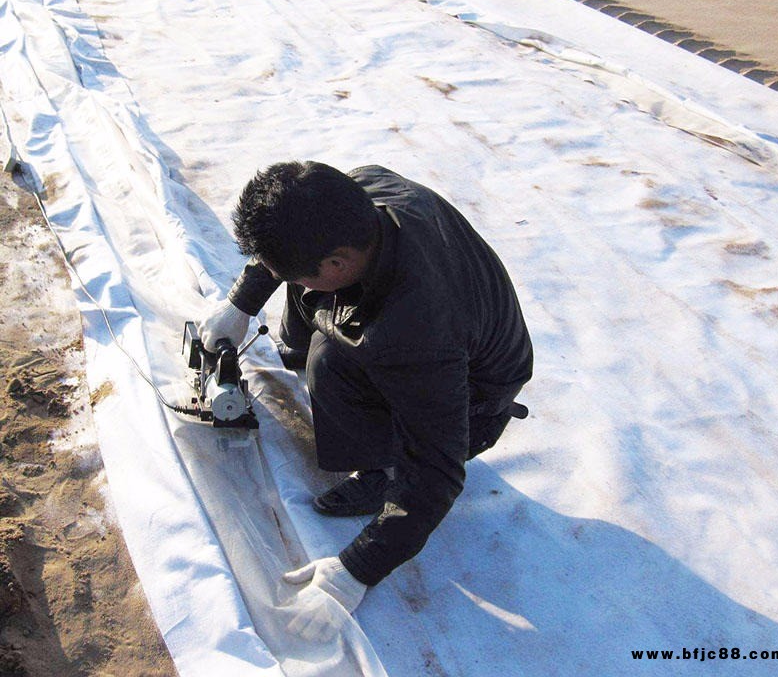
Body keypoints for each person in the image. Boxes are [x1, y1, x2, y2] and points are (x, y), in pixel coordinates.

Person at [198, 161, 533, 637]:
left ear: (337, 264)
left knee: (330, 359)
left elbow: (437, 471)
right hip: (445, 330)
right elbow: (289, 240)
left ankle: (380, 468)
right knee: (313, 315)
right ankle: (306, 341)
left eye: (305, 275)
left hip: (475, 401)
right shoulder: (359, 193)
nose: (292, 281)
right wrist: (240, 305)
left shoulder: (416, 329)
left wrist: (356, 571)